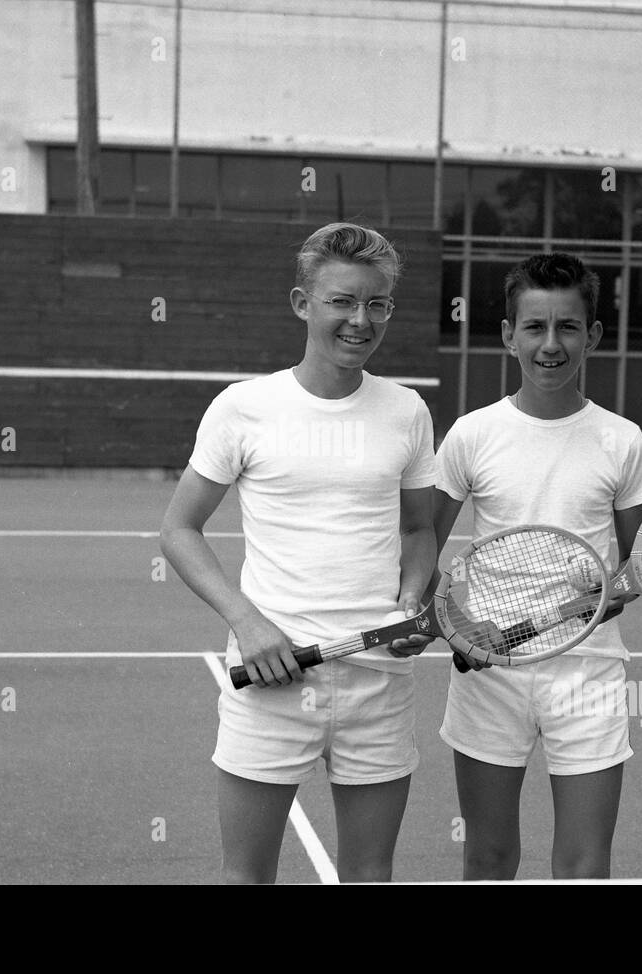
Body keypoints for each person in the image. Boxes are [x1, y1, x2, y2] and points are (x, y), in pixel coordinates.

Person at [160, 223, 437, 884]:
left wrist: (411, 598)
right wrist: (247, 622)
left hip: (379, 682)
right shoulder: (244, 408)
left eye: (376, 304)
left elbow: (417, 531)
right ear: (302, 303)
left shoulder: (408, 412)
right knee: (247, 876)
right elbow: (178, 530)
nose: (360, 320)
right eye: (342, 301)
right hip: (271, 684)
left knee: (370, 875)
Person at [431, 252, 642, 880]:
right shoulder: (471, 435)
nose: (551, 344)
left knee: (585, 865)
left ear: (592, 335)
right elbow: (420, 553)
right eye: (534, 327)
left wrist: (611, 590)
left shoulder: (622, 440)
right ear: (509, 335)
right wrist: (457, 625)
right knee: (489, 857)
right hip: (489, 672)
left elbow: (641, 563)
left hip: (588, 671)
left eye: (568, 327)